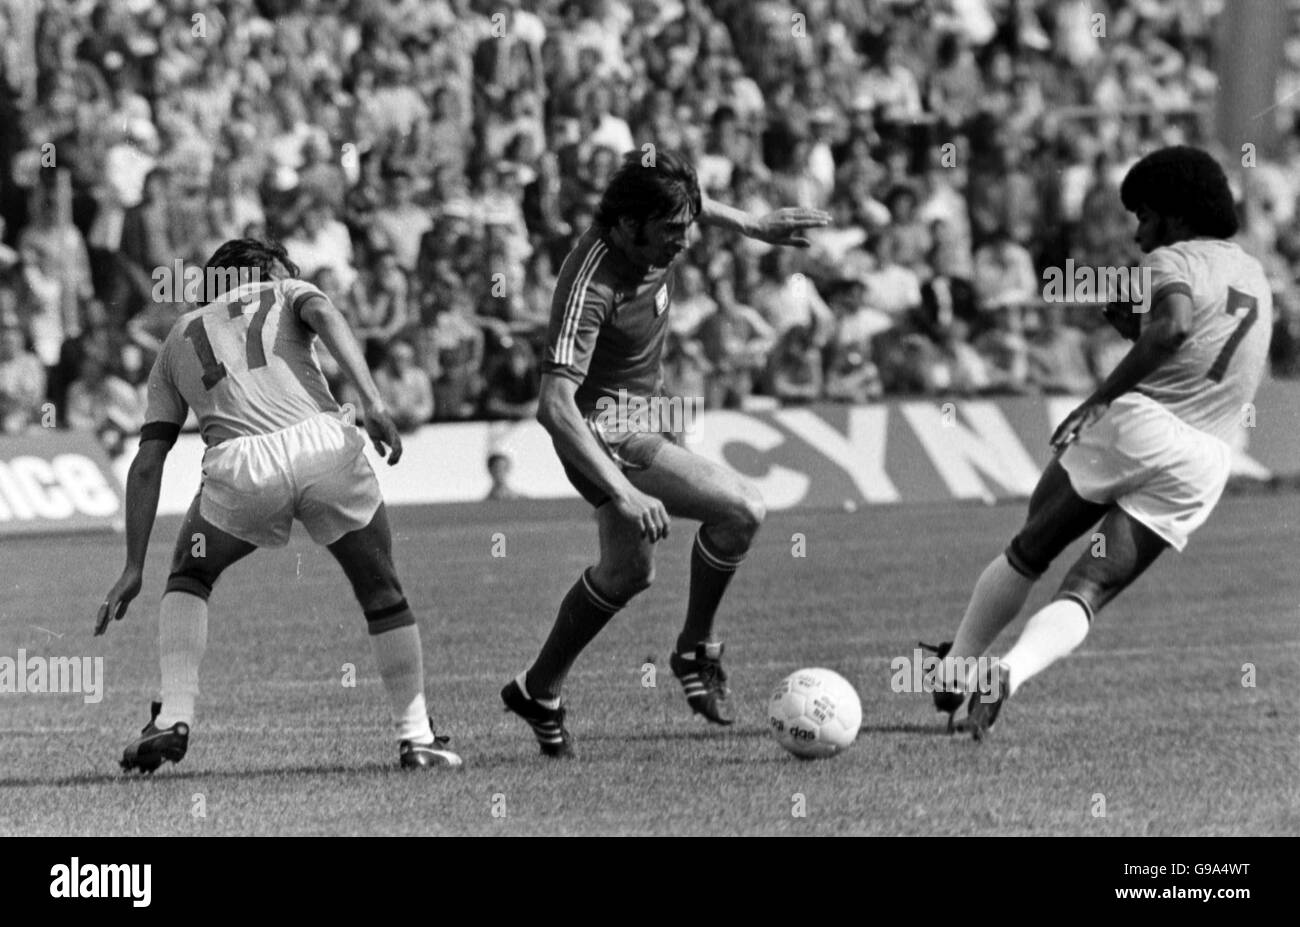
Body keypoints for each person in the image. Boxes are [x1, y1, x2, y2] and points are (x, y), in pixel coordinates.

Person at [927, 147, 1273, 739]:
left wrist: (1096, 401)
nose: (1139, 233)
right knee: (1088, 588)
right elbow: (1198, 342)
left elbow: (1174, 328)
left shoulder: (1174, 260)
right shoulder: (1254, 274)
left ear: (1175, 214)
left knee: (1029, 549)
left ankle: (955, 670)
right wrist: (1135, 327)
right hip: (1206, 459)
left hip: (1141, 423)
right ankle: (1007, 672)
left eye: (1143, 215)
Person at [501, 150, 828, 757]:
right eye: (670, 233)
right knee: (742, 508)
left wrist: (755, 227)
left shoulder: (657, 215)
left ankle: (537, 690)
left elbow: (697, 207)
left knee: (628, 573)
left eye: (686, 226)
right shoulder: (591, 283)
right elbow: (554, 406)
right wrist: (625, 491)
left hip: (644, 412)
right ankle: (694, 651)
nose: (682, 242)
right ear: (628, 227)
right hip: (604, 432)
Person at [95, 239, 462, 772]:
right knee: (381, 587)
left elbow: (148, 462)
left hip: (241, 469)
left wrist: (132, 566)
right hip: (322, 447)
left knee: (190, 575)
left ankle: (173, 714)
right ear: (261, 269)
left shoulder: (178, 338)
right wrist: (375, 402)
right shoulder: (287, 289)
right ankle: (417, 736)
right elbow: (327, 315)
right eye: (284, 264)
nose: (293, 270)